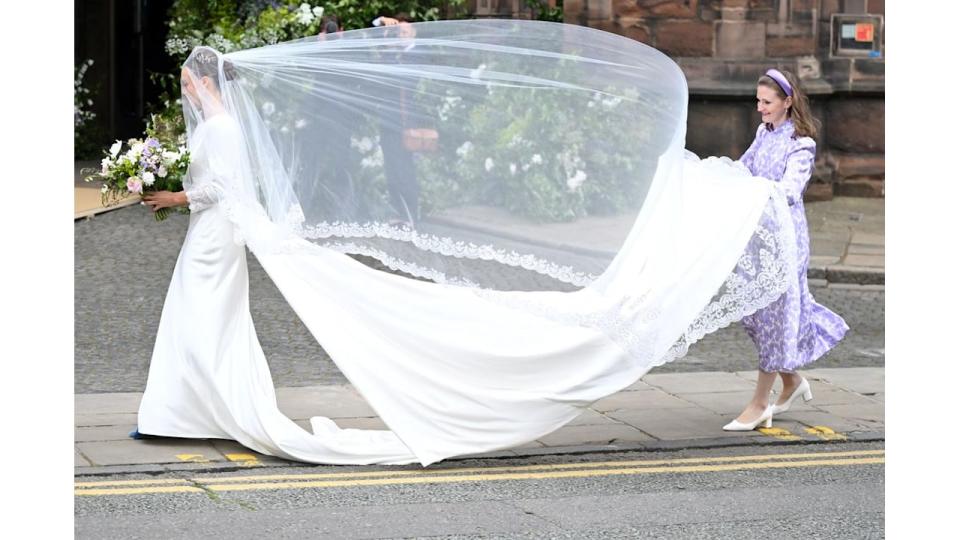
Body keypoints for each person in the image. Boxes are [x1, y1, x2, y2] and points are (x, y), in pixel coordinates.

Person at [130, 23, 803, 467]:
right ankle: (183, 402)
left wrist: (166, 197)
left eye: (191, 83)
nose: (188, 92)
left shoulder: (220, 131)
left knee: (208, 312)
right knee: (201, 315)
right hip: (212, 239)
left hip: (213, 234)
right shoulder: (220, 126)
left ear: (207, 82)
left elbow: (224, 189)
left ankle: (186, 403)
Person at [722, 69, 850, 431]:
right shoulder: (764, 133)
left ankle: (760, 403)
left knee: (775, 318)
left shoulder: (801, 143)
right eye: (758, 101)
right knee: (754, 314)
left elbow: (790, 190)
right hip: (760, 237)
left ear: (787, 101)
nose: (760, 108)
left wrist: (756, 190)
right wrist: (716, 178)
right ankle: (792, 381)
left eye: (767, 102)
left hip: (786, 240)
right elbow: (744, 168)